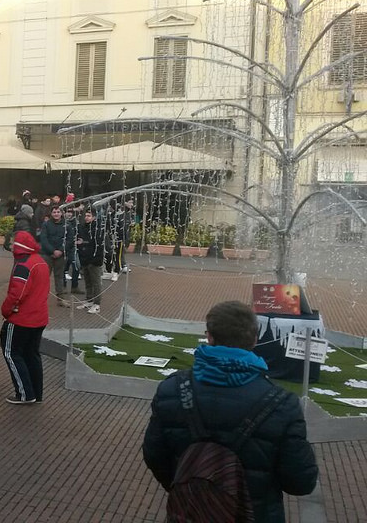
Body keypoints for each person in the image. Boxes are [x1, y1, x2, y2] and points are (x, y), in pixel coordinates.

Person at [142, 301, 318, 522]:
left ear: (210, 337)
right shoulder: (283, 405)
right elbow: (301, 482)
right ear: (255, 340)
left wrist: (190, 481)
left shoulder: (172, 390)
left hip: (191, 513)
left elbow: (154, 454)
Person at [0, 231, 50, 404]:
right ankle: (36, 393)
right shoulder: (40, 261)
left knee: (11, 353)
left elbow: (17, 294)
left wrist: (5, 310)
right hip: (39, 317)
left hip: (22, 318)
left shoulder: (24, 264)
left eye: (14, 242)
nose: (12, 245)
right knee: (32, 355)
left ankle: (25, 393)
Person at [39, 206, 70, 308]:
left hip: (60, 255)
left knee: (59, 277)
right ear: (51, 213)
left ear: (61, 213)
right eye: (54, 212)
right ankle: (40, 299)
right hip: (47, 255)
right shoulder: (46, 224)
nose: (56, 214)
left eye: (58, 212)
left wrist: (60, 251)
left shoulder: (67, 225)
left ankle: (60, 299)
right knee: (44, 277)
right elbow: (43, 239)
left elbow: (69, 240)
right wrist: (52, 251)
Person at [76, 208, 105, 315]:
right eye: (86, 215)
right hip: (85, 259)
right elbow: (82, 241)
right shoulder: (83, 227)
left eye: (89, 216)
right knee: (88, 281)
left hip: (94, 261)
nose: (86, 218)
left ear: (94, 217)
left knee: (96, 282)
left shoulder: (97, 229)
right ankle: (89, 300)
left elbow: (99, 245)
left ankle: (97, 304)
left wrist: (95, 259)